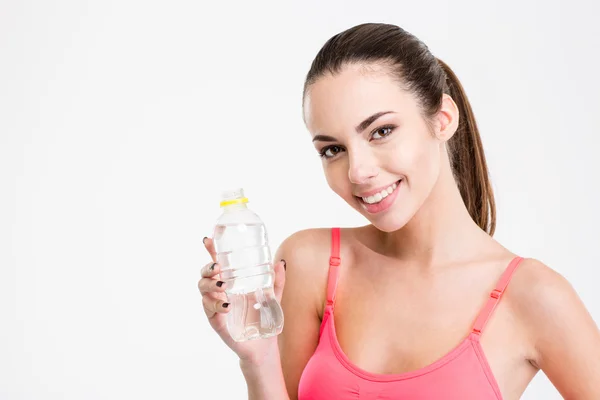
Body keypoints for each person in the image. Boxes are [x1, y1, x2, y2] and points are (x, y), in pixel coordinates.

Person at [198, 23, 600, 399]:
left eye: (381, 131)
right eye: (332, 150)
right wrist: (258, 361)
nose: (357, 171)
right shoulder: (310, 264)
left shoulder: (534, 297)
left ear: (442, 119)